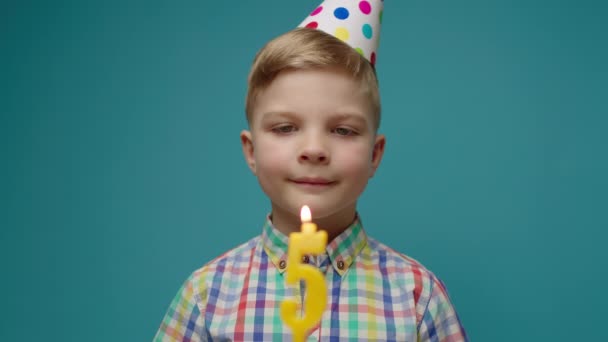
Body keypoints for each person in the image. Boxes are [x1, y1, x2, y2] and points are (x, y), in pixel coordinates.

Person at [154, 1, 467, 340]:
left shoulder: (418, 298)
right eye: (286, 128)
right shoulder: (207, 298)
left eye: (343, 130)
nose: (314, 149)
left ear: (375, 155)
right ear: (251, 151)